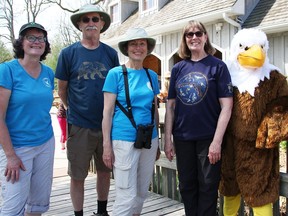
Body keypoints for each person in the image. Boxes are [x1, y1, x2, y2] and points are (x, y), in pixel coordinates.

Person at [55, 4, 120, 216]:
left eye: (95, 19)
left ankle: (102, 211)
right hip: (79, 125)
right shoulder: (68, 54)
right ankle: (78, 213)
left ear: (102, 24)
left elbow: (116, 89)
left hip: (107, 125)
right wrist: (71, 109)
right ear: (80, 25)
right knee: (77, 175)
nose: (90, 23)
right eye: (86, 20)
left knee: (104, 171)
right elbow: (62, 89)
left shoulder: (110, 54)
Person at [164, 20, 233, 216]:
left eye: (198, 33)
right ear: (185, 39)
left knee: (208, 187)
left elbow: (227, 106)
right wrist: (168, 139)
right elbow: (170, 107)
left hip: (208, 138)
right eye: (189, 34)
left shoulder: (218, 67)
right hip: (183, 137)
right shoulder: (178, 69)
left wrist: (217, 142)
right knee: (187, 186)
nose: (194, 37)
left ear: (205, 36)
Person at [102, 27, 160, 216]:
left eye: (141, 43)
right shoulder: (115, 74)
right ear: (126, 48)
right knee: (126, 194)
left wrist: (157, 140)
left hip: (148, 139)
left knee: (142, 192)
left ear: (147, 47)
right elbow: (107, 112)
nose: (138, 47)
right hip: (124, 139)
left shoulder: (151, 75)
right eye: (133, 44)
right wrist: (106, 146)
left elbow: (154, 109)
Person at [0, 22, 55, 215]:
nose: (37, 42)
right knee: (13, 206)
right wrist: (10, 156)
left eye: (41, 38)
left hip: (45, 142)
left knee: (38, 203)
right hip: (17, 148)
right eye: (31, 37)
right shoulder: (7, 70)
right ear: (21, 42)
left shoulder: (48, 72)